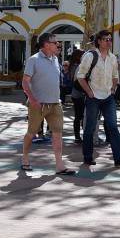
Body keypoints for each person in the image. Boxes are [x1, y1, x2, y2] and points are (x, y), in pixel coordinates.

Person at [21, 32, 75, 175]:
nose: (57, 44)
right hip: (38, 105)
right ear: (46, 44)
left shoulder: (55, 59)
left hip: (55, 104)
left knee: (57, 134)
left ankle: (59, 166)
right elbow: (25, 82)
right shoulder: (34, 60)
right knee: (31, 133)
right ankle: (25, 158)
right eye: (54, 42)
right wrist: (32, 99)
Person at [77, 29, 120, 167]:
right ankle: (88, 156)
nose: (109, 42)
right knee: (90, 127)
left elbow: (115, 75)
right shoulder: (90, 56)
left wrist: (113, 89)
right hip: (93, 96)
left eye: (110, 39)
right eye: (106, 39)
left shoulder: (113, 58)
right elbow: (80, 76)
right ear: (99, 41)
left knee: (112, 126)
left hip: (108, 97)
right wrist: (89, 92)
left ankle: (118, 158)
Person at [68, 49, 85, 143]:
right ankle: (77, 135)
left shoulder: (72, 66)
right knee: (79, 115)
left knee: (79, 115)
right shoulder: (76, 67)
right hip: (78, 94)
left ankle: (78, 135)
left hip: (76, 93)